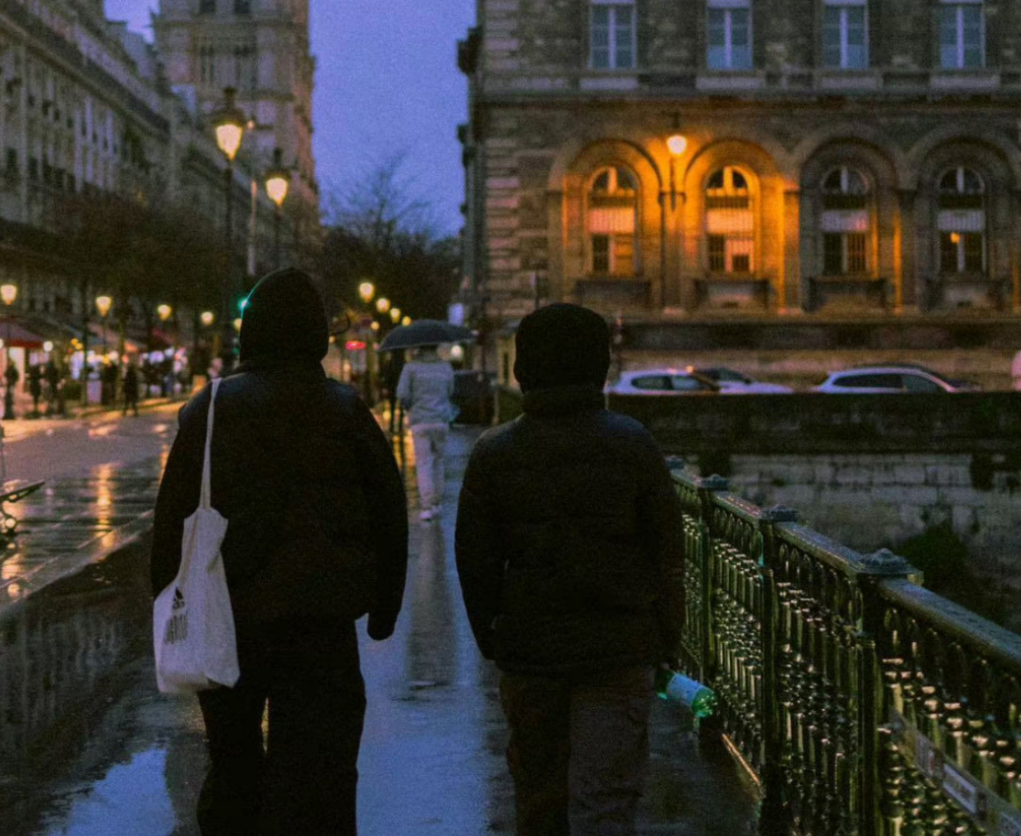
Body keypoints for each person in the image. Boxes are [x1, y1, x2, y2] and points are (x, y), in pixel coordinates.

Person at [150, 267, 408, 836]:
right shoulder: (344, 408)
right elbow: (389, 512)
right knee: (321, 772)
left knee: (235, 765)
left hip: (229, 618)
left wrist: (168, 600)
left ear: (251, 332)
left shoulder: (210, 408)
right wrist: (385, 607)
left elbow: (172, 517)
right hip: (321, 619)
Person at [454, 303, 685, 836]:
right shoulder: (632, 444)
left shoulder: (495, 453)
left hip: (531, 653)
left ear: (522, 371)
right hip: (618, 649)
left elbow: (475, 561)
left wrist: (494, 637)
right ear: (599, 366)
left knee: (540, 800)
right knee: (605, 801)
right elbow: (666, 555)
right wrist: (664, 636)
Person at [396, 345, 455, 521]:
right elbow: (450, 391)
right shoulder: (445, 367)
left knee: (424, 463)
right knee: (438, 461)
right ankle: (437, 503)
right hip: (441, 421)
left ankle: (427, 506)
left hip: (420, 421)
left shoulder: (411, 367)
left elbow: (402, 393)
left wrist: (411, 406)